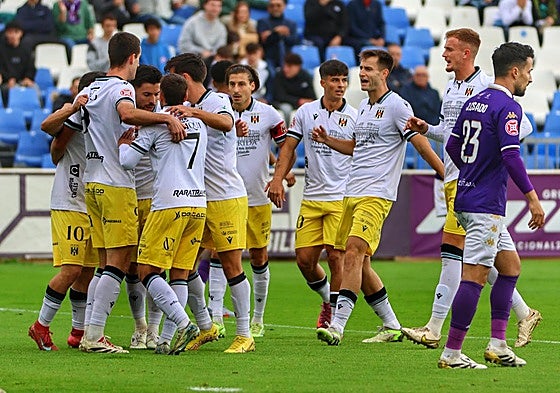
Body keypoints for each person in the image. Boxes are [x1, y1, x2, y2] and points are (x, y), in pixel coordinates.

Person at [402, 28, 542, 350]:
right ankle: (511, 324)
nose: (443, 54)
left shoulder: (484, 88)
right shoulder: (453, 89)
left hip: (469, 185)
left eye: (449, 49)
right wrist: (428, 129)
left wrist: (482, 164)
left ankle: (438, 331)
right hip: (462, 182)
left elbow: (519, 131)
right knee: (483, 260)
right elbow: (451, 136)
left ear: (467, 53)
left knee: (461, 257)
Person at [310, 49, 444, 346]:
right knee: (358, 261)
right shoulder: (364, 107)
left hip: (377, 193)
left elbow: (419, 142)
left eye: (368, 68)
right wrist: (328, 140)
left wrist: (444, 173)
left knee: (354, 253)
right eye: (361, 67)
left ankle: (337, 326)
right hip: (352, 191)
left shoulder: (397, 106)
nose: (362, 73)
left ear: (385, 73)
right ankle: (392, 325)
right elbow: (357, 147)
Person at [439, 42, 545, 369]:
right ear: (514, 71)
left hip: (467, 197)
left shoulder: (474, 101)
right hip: (485, 204)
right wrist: (531, 197)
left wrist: (471, 171)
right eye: (528, 71)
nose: (529, 78)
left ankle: (498, 344)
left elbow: (453, 144)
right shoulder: (509, 107)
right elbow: (511, 155)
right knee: (474, 276)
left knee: (510, 267)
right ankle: (452, 352)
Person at [78, 32, 185, 354]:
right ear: (134, 58)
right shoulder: (122, 88)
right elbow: (127, 113)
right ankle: (93, 336)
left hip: (92, 182)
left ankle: (91, 332)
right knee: (121, 263)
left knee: (107, 263)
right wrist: (164, 118)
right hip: (115, 183)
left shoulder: (91, 87)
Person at [165, 53, 254, 353]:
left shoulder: (216, 101)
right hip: (199, 199)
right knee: (184, 264)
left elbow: (227, 123)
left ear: (185, 78)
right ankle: (205, 326)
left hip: (226, 197)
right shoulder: (186, 108)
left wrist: (195, 114)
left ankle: (245, 335)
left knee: (231, 265)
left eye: (173, 76)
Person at [119, 73, 208, 355]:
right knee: (179, 274)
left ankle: (183, 323)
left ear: (161, 97)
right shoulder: (199, 123)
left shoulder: (155, 126)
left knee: (146, 270)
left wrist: (124, 142)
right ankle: (167, 340)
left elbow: (128, 162)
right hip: (198, 204)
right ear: (185, 95)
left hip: (169, 204)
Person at [267, 59, 357, 333]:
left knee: (335, 256)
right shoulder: (305, 113)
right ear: (323, 83)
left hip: (341, 196)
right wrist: (278, 179)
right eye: (335, 80)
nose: (340, 85)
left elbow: (357, 150)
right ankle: (328, 299)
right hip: (312, 197)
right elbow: (289, 147)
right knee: (305, 260)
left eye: (343, 80)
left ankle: (334, 321)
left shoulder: (354, 116)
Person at [27, 71, 102, 352]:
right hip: (70, 200)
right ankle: (41, 326)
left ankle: (78, 332)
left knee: (87, 272)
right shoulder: (72, 112)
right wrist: (72, 107)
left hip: (93, 200)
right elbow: (49, 128)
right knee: (71, 269)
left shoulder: (103, 117)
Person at [226, 64, 289, 337]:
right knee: (221, 253)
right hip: (225, 196)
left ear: (253, 85)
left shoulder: (268, 114)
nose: (236, 89)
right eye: (232, 84)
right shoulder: (219, 112)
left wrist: (279, 177)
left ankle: (258, 318)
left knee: (258, 256)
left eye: (242, 84)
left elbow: (287, 146)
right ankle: (217, 315)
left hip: (257, 198)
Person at [125, 65, 165, 350]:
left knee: (154, 267)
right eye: (147, 94)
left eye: (156, 93)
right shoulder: (122, 113)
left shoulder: (164, 115)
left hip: (155, 199)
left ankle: (154, 328)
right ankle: (139, 326)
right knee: (130, 268)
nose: (152, 100)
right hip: (126, 197)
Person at [271, 53, 317, 125]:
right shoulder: (279, 75)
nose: (286, 69)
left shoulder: (305, 76)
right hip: (283, 103)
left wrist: (306, 102)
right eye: (285, 66)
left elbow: (312, 96)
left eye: (289, 66)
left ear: (298, 67)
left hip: (301, 104)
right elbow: (279, 96)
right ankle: (286, 133)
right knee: (286, 109)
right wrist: (298, 101)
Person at [0, 21, 38, 106]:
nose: (13, 35)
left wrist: (28, 78)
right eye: (10, 32)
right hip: (6, 83)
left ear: (21, 33)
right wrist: (9, 78)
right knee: (9, 90)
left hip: (23, 81)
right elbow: (2, 68)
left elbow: (31, 67)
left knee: (35, 88)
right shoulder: (1, 50)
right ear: (6, 34)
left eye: (16, 32)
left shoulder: (26, 50)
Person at [256, 0, 299, 71]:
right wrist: (276, 31)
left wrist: (271, 33)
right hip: (268, 58)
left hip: (286, 58)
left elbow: (293, 41)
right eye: (272, 6)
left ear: (284, 6)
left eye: (278, 5)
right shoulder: (262, 22)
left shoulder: (291, 23)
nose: (275, 8)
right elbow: (263, 41)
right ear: (268, 8)